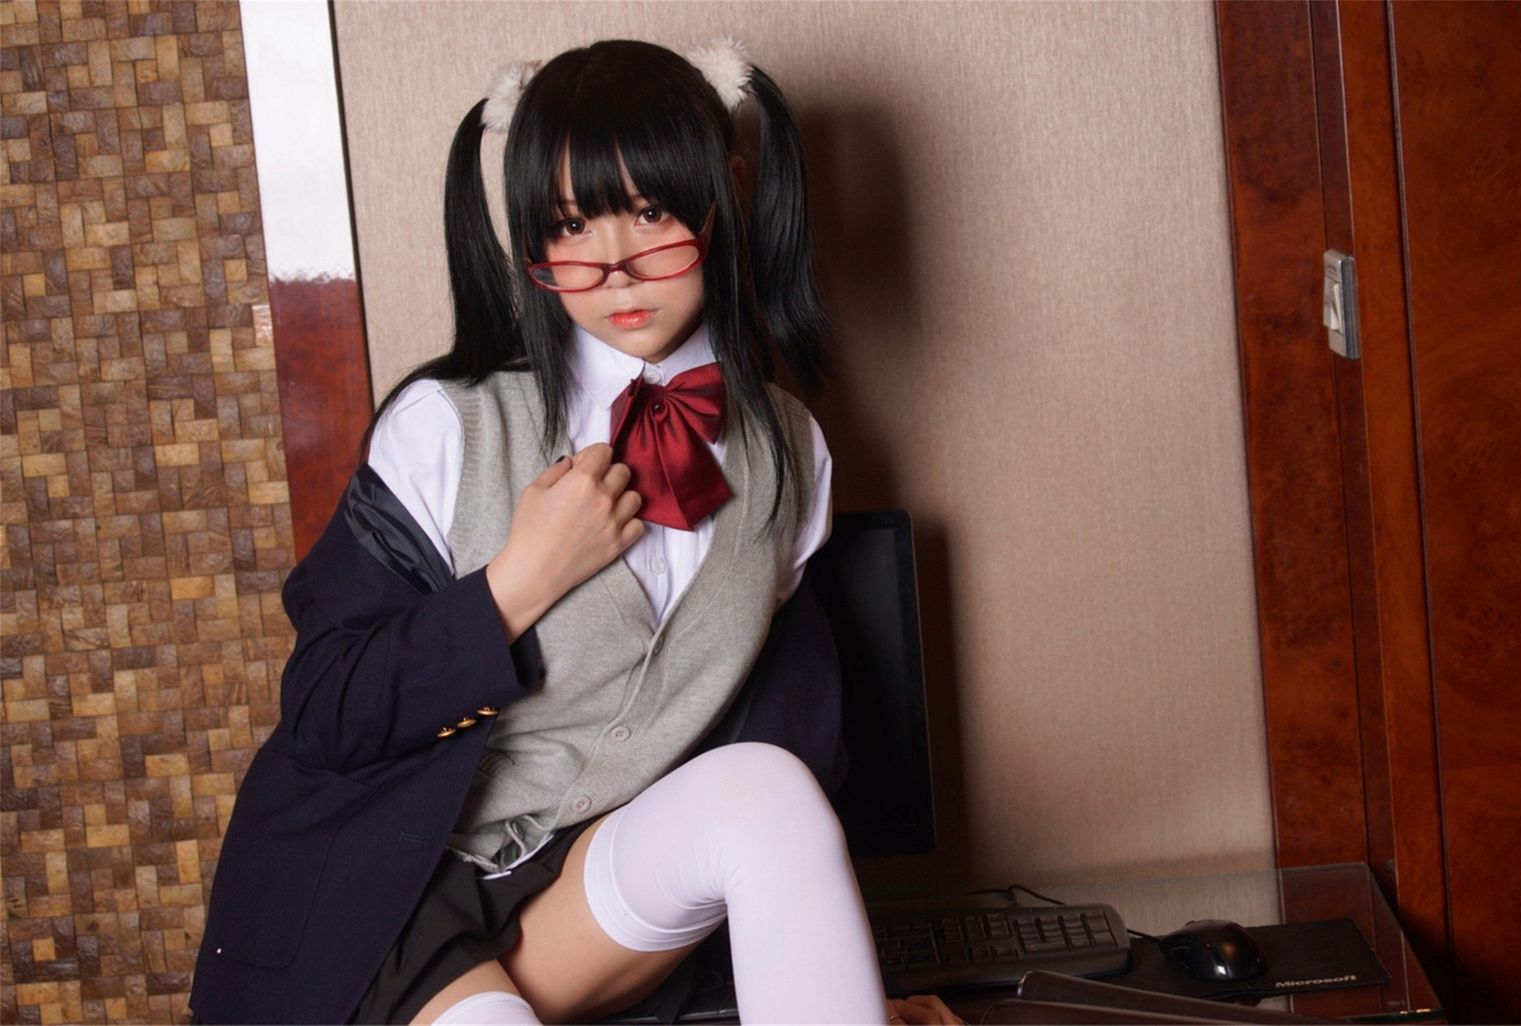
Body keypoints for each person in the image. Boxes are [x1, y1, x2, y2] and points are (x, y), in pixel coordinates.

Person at [188, 38, 962, 1026]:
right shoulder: (447, 428)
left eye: (652, 211)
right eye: (571, 224)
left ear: (726, 196)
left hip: (579, 888)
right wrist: (516, 582)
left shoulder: (789, 450)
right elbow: (325, 711)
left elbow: (789, 735)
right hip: (386, 896)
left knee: (769, 787)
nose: (615, 266)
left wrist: (838, 975)